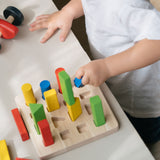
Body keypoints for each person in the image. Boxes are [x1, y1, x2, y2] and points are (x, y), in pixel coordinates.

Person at [30, 0, 160, 149]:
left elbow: (156, 42)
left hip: (141, 97)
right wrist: (68, 11)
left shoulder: (127, 4)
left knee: (137, 136)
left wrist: (107, 67)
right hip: (115, 78)